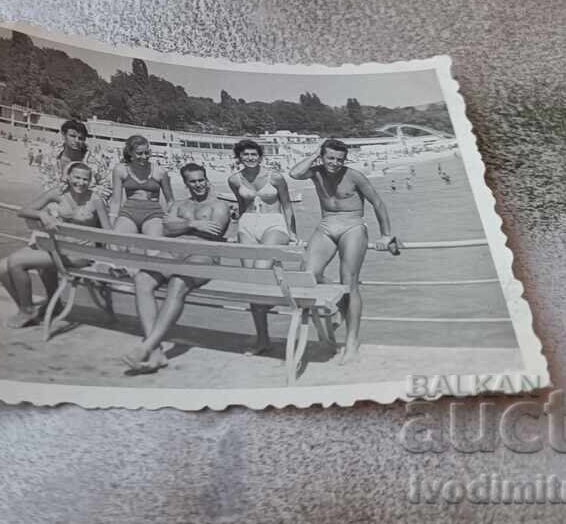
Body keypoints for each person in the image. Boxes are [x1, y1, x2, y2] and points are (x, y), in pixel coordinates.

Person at [289, 139, 395, 365]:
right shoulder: (315, 171)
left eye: (339, 159)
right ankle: (333, 311)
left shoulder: (354, 176)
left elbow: (377, 202)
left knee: (350, 283)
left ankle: (352, 342)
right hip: (326, 225)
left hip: (353, 226)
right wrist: (315, 153)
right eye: (330, 158)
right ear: (322, 156)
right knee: (308, 275)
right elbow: (294, 173)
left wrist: (386, 235)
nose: (335, 163)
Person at [123, 163, 231, 374]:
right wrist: (194, 224)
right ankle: (156, 353)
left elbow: (214, 232)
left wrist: (181, 223)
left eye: (201, 180)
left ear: (207, 180)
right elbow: (165, 228)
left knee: (178, 282)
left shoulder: (219, 206)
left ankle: (146, 346)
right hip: (174, 253)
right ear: (186, 183)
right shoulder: (178, 204)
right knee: (142, 279)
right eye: (193, 181)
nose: (199, 185)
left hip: (203, 255)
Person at [0, 162, 111, 328]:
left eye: (86, 179)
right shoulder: (58, 194)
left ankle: (27, 311)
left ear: (90, 181)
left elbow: (109, 232)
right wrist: (42, 214)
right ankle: (32, 308)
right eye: (77, 177)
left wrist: (106, 260)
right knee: (1, 268)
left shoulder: (95, 200)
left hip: (79, 255)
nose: (81, 182)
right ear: (68, 177)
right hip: (57, 249)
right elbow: (24, 210)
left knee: (15, 261)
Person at [226, 139, 297, 356]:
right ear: (239, 157)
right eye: (245, 155)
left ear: (260, 156)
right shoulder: (234, 179)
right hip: (247, 226)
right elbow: (241, 205)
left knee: (260, 272)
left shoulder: (274, 177)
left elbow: (286, 204)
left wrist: (293, 233)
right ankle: (263, 339)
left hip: (274, 224)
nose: (250, 158)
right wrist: (236, 227)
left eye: (253, 154)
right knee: (251, 283)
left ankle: (268, 304)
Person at [109, 135, 174, 239]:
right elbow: (116, 201)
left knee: (154, 248)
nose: (144, 157)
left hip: (153, 214)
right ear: (130, 153)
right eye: (139, 153)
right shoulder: (120, 170)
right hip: (128, 213)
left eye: (147, 153)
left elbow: (170, 201)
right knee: (117, 243)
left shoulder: (160, 172)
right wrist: (111, 223)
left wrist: (170, 219)